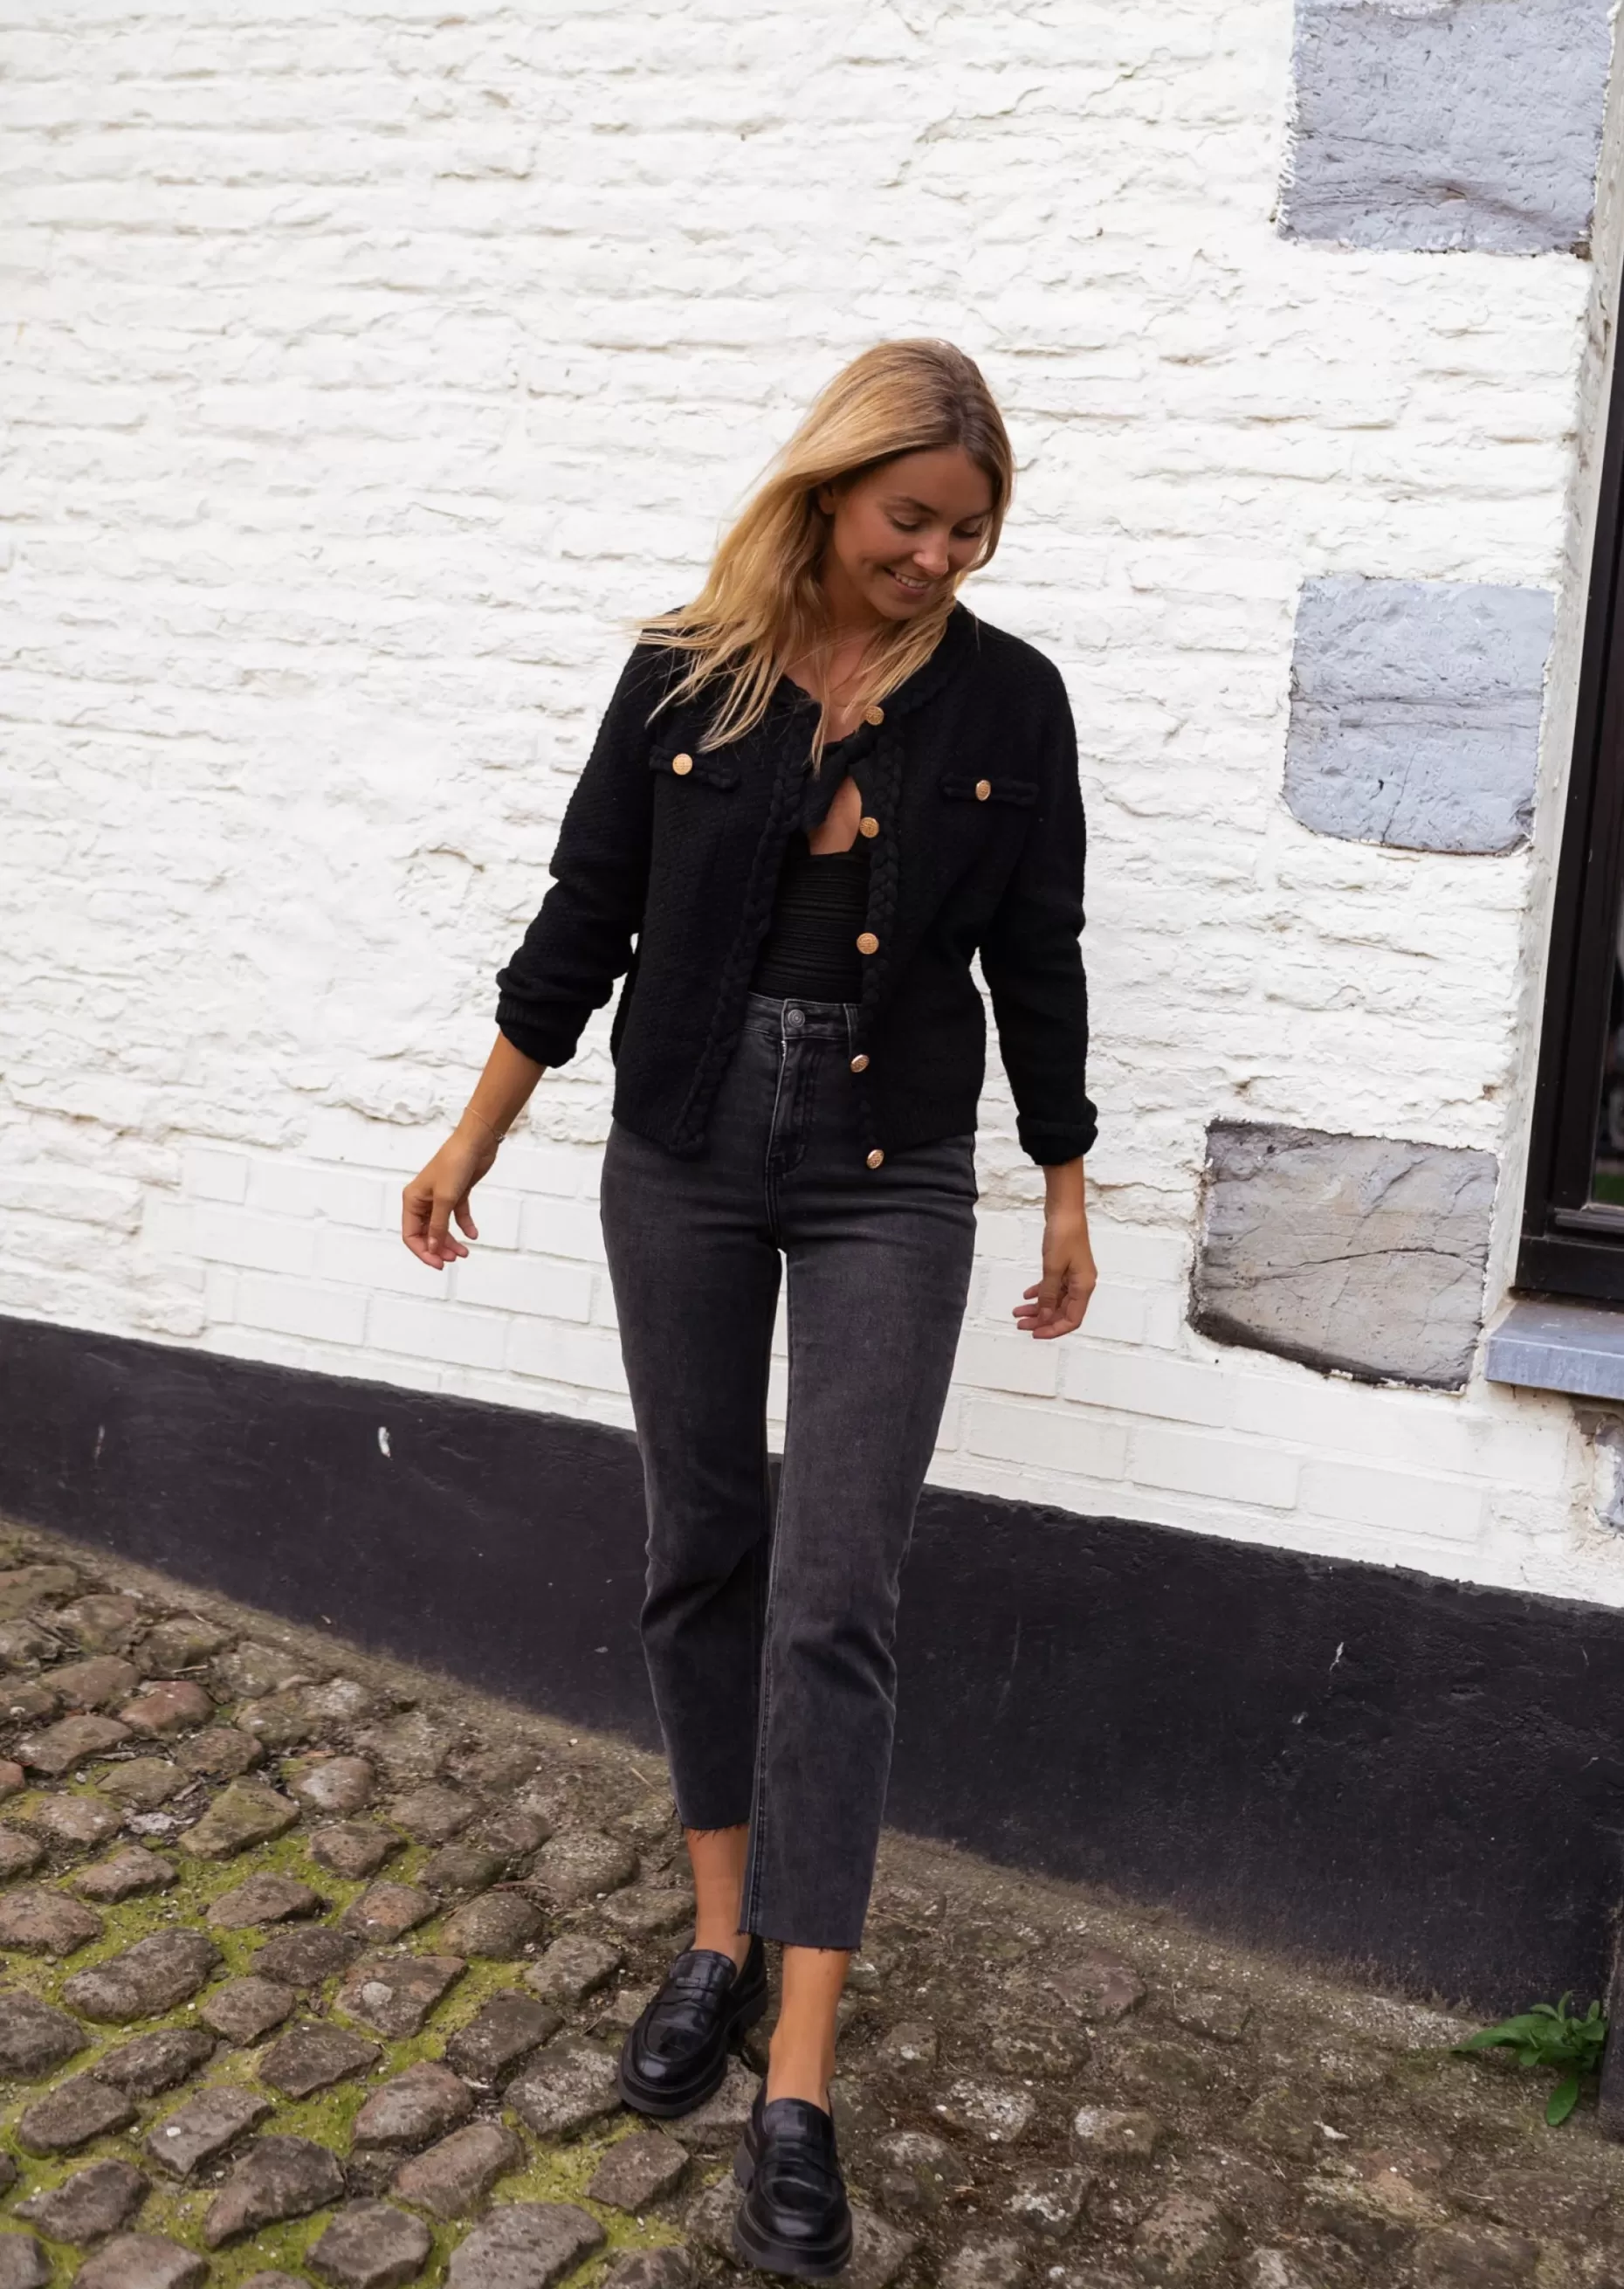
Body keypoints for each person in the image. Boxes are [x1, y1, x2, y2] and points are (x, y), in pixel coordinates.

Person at [403, 339, 1098, 2280]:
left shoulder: (1013, 700)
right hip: (686, 1149)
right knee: (702, 1547)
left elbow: (1038, 952)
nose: (937, 559)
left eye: (970, 533)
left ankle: (798, 2076)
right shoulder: (683, 675)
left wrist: (1064, 1179)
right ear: (831, 490)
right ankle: (715, 1939)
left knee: (836, 1595)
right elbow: (582, 921)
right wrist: (471, 1136)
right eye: (910, 520)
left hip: (893, 1172)